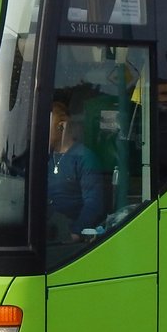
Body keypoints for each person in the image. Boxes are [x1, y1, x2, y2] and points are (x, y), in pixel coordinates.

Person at [47, 101, 106, 242]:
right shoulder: (44, 158)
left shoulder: (84, 158)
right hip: (44, 230)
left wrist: (76, 232)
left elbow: (94, 202)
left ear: (61, 126)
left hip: (67, 236)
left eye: (46, 125)